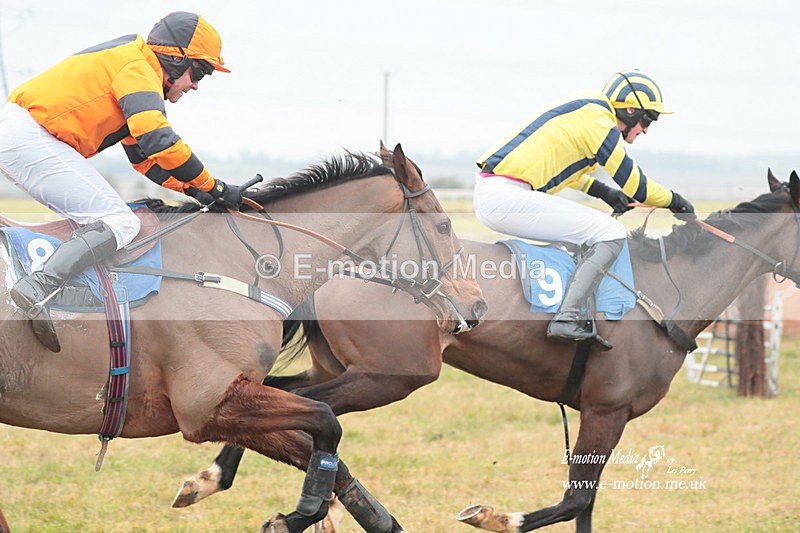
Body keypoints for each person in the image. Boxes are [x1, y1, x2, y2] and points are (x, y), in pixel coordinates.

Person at [0, 11, 242, 351]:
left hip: (27, 136)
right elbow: (160, 140)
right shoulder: (137, 68)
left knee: (113, 219)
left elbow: (146, 160)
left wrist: (195, 190)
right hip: (30, 137)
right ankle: (38, 287)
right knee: (120, 221)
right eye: (198, 72)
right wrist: (214, 186)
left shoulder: (135, 67)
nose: (196, 85)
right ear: (175, 59)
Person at [474, 70, 696, 349]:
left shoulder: (590, 110)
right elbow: (636, 185)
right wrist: (675, 201)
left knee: (594, 230)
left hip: (501, 193)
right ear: (630, 111)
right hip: (506, 196)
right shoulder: (599, 120)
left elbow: (565, 170)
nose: (646, 129)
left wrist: (603, 192)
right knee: (610, 231)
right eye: (647, 119)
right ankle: (567, 317)